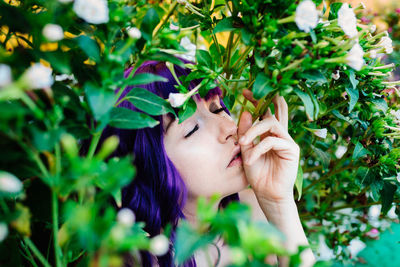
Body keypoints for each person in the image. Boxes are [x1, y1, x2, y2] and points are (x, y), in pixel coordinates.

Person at [101, 59, 315, 266]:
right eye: (192, 129)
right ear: (147, 164)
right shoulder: (126, 257)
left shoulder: (255, 212)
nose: (228, 129)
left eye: (217, 109)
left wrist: (279, 203)